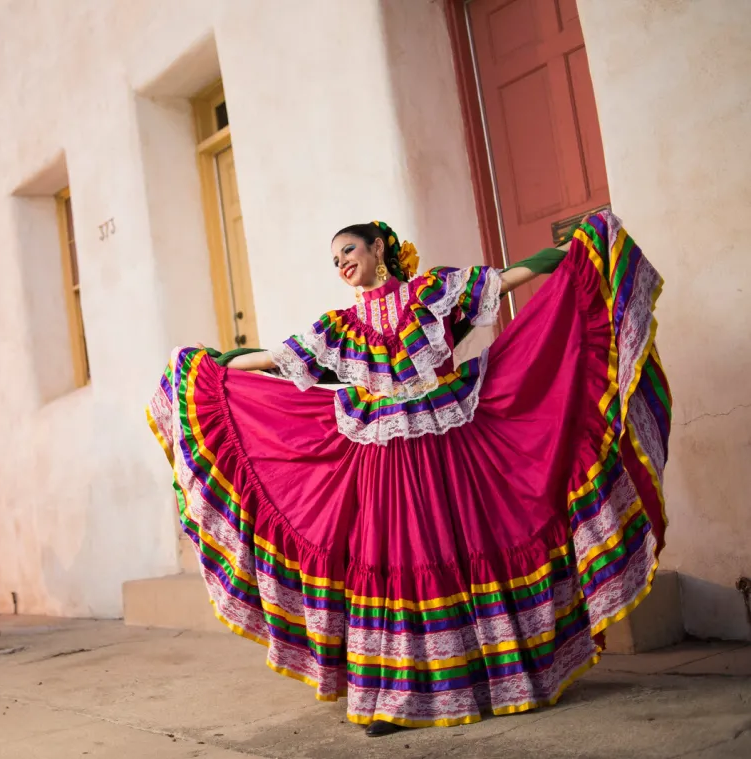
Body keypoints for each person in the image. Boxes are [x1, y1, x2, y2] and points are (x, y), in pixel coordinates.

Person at [147, 212, 669, 735]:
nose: (342, 264)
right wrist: (215, 363)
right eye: (334, 260)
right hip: (382, 457)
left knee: (466, 548)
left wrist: (580, 245)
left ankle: (503, 681)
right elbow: (273, 359)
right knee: (393, 561)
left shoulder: (433, 292)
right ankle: (394, 700)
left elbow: (508, 278)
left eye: (349, 251)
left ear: (378, 247)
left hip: (450, 444)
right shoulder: (337, 329)